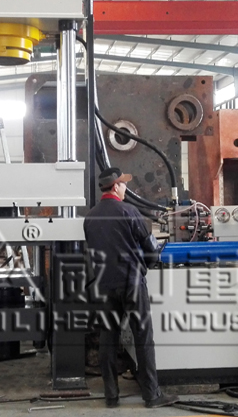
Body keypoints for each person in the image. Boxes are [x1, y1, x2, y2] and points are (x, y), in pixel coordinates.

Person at [83, 167, 178, 409]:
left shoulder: (90, 217)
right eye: (123, 184)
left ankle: (111, 396)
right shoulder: (129, 211)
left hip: (104, 284)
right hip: (131, 283)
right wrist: (148, 264)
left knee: (108, 338)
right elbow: (150, 249)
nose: (126, 188)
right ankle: (151, 395)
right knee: (143, 337)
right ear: (115, 186)